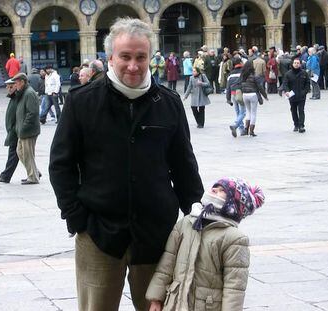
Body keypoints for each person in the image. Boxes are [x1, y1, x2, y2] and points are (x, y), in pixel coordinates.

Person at [48, 18, 203, 311]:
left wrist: (197, 213)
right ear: (110, 58)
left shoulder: (168, 103)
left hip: (157, 235)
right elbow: (60, 165)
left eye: (140, 57)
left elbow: (183, 165)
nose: (133, 65)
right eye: (125, 57)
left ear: (149, 58)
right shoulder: (82, 102)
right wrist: (76, 217)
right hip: (99, 234)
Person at [146, 177, 265, 311]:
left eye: (222, 190)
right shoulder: (186, 223)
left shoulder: (234, 239)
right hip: (175, 303)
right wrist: (156, 298)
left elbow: (234, 287)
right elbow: (166, 264)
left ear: (232, 204)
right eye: (215, 187)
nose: (214, 189)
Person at [12, 73, 41, 185]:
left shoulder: (29, 93)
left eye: (16, 82)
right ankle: (34, 172)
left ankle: (33, 177)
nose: (15, 85)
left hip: (28, 131)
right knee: (20, 152)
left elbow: (32, 113)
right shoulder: (23, 93)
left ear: (23, 82)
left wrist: (24, 127)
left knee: (28, 154)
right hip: (22, 131)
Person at [0, 78, 20, 183]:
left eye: (9, 86)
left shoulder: (18, 97)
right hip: (13, 130)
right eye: (7, 86)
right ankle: (35, 171)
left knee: (14, 154)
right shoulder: (13, 97)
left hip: (16, 131)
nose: (7, 88)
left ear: (15, 86)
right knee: (23, 154)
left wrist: (15, 129)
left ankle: (5, 176)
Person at [280, 57, 311, 133]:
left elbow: (307, 84)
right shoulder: (288, 74)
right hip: (292, 96)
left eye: (298, 63)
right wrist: (287, 91)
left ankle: (301, 126)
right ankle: (296, 125)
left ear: (300, 64)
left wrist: (305, 92)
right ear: (292, 64)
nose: (296, 64)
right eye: (295, 63)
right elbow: (285, 84)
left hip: (301, 96)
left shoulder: (304, 73)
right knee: (293, 110)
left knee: (301, 110)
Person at [241, 61, 268, 137]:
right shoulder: (254, 76)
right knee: (253, 113)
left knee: (248, 112)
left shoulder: (242, 76)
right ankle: (251, 131)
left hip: (245, 94)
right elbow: (260, 87)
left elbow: (240, 85)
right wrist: (265, 96)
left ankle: (246, 129)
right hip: (253, 95)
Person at [226, 57, 246, 137]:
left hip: (233, 94)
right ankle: (235, 125)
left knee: (238, 112)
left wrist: (228, 98)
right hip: (241, 93)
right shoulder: (244, 72)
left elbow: (228, 87)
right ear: (240, 62)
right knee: (243, 112)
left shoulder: (230, 74)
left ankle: (242, 130)